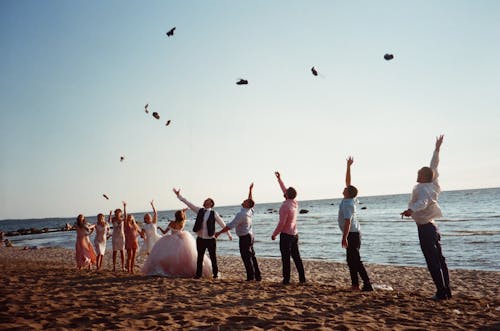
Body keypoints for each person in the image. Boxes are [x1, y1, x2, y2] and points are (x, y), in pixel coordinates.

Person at [401, 135, 451, 301]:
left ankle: (441, 292)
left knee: (432, 261)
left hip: (425, 229)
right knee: (440, 260)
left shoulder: (423, 188)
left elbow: (422, 202)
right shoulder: (433, 183)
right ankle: (446, 290)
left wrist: (410, 210)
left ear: (423, 176)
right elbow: (433, 165)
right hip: (433, 227)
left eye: (418, 173)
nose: (416, 174)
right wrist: (437, 149)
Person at [173, 188, 232, 279]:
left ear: (211, 203)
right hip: (200, 239)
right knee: (199, 258)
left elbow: (222, 223)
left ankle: (215, 274)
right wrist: (179, 195)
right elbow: (188, 203)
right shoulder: (199, 210)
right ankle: (198, 275)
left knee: (213, 258)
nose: (205, 201)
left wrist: (228, 234)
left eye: (207, 201)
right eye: (205, 200)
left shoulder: (214, 213)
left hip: (211, 239)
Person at [142, 209, 213, 277]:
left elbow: (164, 232)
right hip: (182, 239)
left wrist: (160, 228)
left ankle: (170, 270)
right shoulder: (182, 223)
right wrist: (183, 212)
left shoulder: (171, 223)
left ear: (175, 216)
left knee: (169, 256)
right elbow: (184, 218)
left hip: (172, 239)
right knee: (185, 257)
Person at [338, 157, 373, 292]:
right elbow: (348, 181)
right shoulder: (349, 198)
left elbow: (348, 221)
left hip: (352, 234)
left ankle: (367, 284)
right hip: (353, 233)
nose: (344, 188)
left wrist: (344, 237)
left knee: (355, 261)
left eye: (346, 189)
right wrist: (348, 166)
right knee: (350, 260)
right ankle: (355, 285)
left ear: (348, 193)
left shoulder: (348, 204)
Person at [216, 183, 262, 281]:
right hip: (250, 236)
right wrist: (250, 190)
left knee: (246, 258)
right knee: (252, 256)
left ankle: (251, 277)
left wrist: (219, 233)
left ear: (247, 205)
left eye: (245, 201)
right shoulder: (249, 210)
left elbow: (230, 226)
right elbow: (250, 200)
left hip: (245, 238)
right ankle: (257, 276)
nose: (243, 201)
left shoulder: (242, 214)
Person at [271, 171, 306, 285]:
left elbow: (282, 223)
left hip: (286, 235)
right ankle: (302, 279)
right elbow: (285, 190)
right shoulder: (294, 203)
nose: (284, 191)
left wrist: (275, 234)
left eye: (285, 192)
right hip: (295, 234)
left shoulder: (285, 206)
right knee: (297, 257)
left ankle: (286, 280)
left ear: (286, 195)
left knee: (286, 258)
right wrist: (279, 179)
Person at [124, 204, 141, 274]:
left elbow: (140, 232)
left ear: (133, 218)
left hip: (135, 241)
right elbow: (124, 216)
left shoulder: (135, 225)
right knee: (129, 256)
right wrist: (124, 207)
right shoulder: (127, 224)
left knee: (133, 256)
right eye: (128, 217)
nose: (129, 218)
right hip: (128, 242)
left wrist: (144, 236)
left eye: (130, 217)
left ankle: (132, 269)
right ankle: (129, 269)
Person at [111, 202, 126, 272]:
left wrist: (125, 207)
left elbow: (125, 216)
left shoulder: (122, 219)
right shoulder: (113, 219)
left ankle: (123, 267)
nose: (118, 213)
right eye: (116, 212)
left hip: (121, 236)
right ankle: (114, 267)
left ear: (121, 213)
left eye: (119, 212)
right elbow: (109, 220)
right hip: (115, 237)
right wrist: (110, 214)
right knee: (114, 252)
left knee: (122, 251)